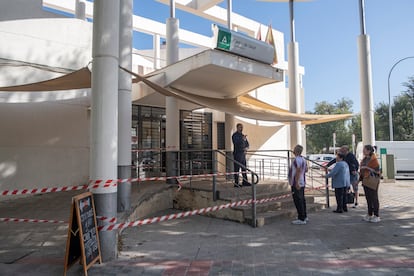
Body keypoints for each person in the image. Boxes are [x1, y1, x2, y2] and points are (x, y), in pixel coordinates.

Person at [360, 144, 381, 223]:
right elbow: (362, 170)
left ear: (368, 151)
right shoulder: (364, 159)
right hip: (365, 180)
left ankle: (376, 215)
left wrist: (367, 168)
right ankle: (369, 214)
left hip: (372, 180)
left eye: (364, 150)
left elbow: (377, 171)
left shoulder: (374, 160)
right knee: (368, 198)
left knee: (374, 198)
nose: (363, 151)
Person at [288, 144, 308, 225]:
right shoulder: (303, 159)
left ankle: (301, 218)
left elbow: (298, 171)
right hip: (302, 181)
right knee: (302, 199)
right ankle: (304, 215)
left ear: (295, 151)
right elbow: (306, 169)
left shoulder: (296, 160)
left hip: (297, 182)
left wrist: (296, 182)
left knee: (298, 200)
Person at [232, 123, 250, 187]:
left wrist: (246, 148)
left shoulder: (243, 135)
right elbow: (236, 143)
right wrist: (243, 140)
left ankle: (245, 181)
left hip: (243, 154)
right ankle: (236, 183)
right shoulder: (235, 135)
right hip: (237, 154)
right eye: (240, 127)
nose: (241, 128)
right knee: (237, 169)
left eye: (242, 127)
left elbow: (247, 144)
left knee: (244, 168)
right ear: (237, 128)